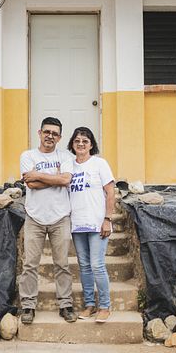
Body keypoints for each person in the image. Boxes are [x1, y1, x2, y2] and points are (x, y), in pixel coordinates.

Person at [18, 117, 78, 324]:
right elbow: (31, 185)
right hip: (34, 217)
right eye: (47, 132)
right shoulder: (27, 155)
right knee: (30, 264)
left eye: (54, 133)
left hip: (60, 217)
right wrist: (55, 178)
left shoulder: (66, 156)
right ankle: (28, 306)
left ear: (59, 137)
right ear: (39, 132)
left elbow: (66, 180)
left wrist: (38, 175)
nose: (50, 136)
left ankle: (65, 304)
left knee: (62, 264)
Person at [66, 126, 115, 323]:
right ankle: (89, 305)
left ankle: (105, 306)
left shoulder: (99, 164)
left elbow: (111, 193)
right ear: (72, 144)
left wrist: (107, 219)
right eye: (77, 140)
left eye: (85, 141)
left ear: (91, 145)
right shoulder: (69, 166)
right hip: (77, 224)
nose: (80, 144)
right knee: (84, 266)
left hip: (97, 223)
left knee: (97, 265)